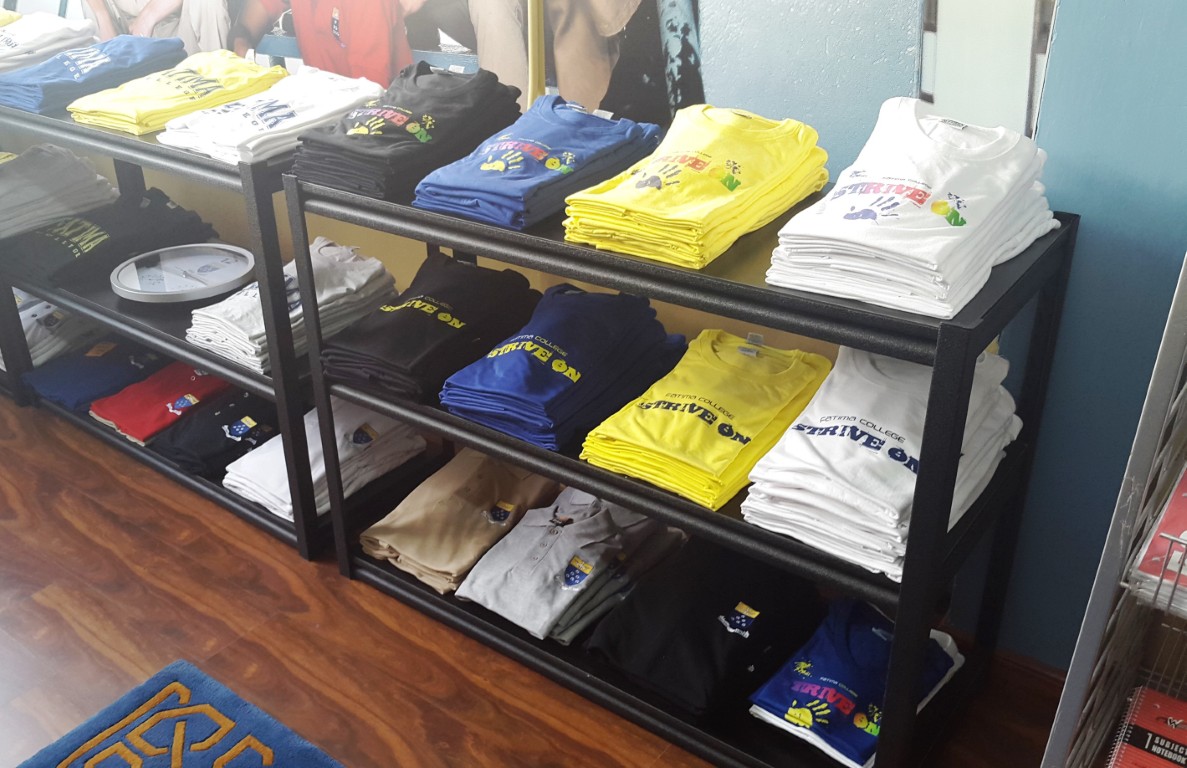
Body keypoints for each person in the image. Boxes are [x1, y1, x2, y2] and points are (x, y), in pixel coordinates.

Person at [229, 0, 421, 88]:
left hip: (376, 125)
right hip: (329, 114)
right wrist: (241, 45)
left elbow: (369, 94)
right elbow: (247, 24)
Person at [82, 0, 229, 53]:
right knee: (92, 7)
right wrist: (102, 16)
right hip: (125, 36)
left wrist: (148, 15)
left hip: (181, 34)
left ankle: (220, 80)